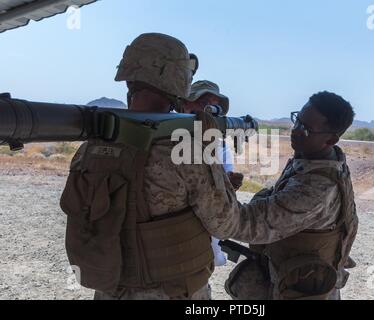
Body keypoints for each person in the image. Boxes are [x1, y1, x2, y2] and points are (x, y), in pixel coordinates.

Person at [62, 33, 243, 300]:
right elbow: (224, 224)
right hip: (171, 292)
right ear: (178, 79)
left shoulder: (90, 147)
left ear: (129, 77)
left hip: (111, 289)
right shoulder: (185, 150)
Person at [224, 91, 359, 300]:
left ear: (331, 139)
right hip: (292, 279)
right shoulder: (314, 159)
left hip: (300, 290)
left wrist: (211, 189)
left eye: (306, 129)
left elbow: (246, 224)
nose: (295, 131)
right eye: (297, 121)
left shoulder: (317, 187)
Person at [181, 80, 243, 267]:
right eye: (202, 102)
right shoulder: (164, 134)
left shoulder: (219, 145)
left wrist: (230, 184)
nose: (208, 110)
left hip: (200, 242)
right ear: (185, 103)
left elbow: (223, 188)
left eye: (214, 107)